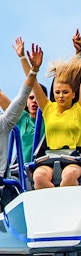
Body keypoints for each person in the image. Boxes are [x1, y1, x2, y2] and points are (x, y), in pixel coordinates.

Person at [15, 36, 81, 189]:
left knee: (68, 176)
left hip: (73, 158)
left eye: (65, 92)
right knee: (38, 177)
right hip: (50, 157)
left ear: (73, 94)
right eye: (57, 92)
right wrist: (23, 58)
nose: (61, 95)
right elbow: (33, 84)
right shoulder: (48, 108)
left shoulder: (79, 109)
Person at [0, 42, 43, 178]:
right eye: (31, 98)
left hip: (41, 170)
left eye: (37, 98)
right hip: (22, 171)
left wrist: (26, 61)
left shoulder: (50, 117)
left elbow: (25, 92)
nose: (34, 101)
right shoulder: (23, 119)